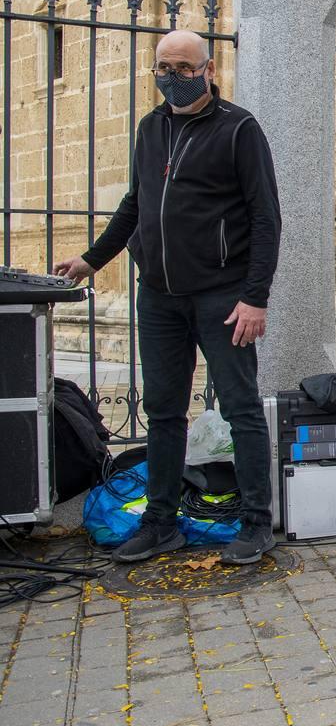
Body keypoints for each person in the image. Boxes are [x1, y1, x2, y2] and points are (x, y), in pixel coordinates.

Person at [55, 30, 281, 565]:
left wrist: (255, 297)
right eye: (163, 67)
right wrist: (92, 260)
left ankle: (255, 522)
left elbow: (266, 218)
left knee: (241, 408)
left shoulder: (239, 129)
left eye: (183, 68)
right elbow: (135, 204)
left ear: (208, 68)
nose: (172, 78)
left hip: (223, 297)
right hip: (158, 297)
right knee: (162, 412)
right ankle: (160, 522)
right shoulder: (150, 127)